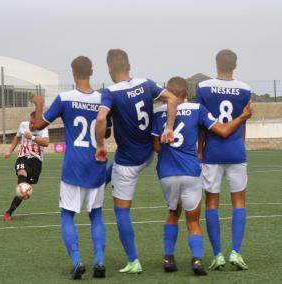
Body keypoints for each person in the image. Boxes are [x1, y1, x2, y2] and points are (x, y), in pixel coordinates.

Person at [152, 77, 252, 276]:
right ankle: (197, 259)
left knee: (173, 213)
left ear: (168, 94)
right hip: (191, 172)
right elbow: (221, 130)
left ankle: (168, 258)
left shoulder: (157, 112)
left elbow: (156, 146)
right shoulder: (197, 109)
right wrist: (242, 117)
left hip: (166, 173)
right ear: (186, 94)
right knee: (193, 220)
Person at [95, 49, 178, 274]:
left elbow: (101, 118)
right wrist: (168, 127)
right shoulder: (146, 83)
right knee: (112, 171)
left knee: (121, 211)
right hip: (148, 154)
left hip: (128, 163)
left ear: (110, 69)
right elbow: (171, 98)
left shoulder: (110, 92)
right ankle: (102, 179)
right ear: (129, 65)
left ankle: (133, 261)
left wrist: (100, 145)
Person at [32, 56, 111, 280]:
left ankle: (77, 261)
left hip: (74, 166)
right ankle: (100, 261)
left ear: (73, 73)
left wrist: (38, 103)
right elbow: (105, 132)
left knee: (67, 215)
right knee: (96, 214)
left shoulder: (64, 98)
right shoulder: (104, 99)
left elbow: (38, 126)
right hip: (96, 163)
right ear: (92, 72)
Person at [197, 50, 252, 270]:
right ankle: (236, 252)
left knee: (212, 203)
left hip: (212, 152)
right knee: (239, 202)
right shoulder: (246, 89)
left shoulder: (203, 87)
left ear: (216, 63)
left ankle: (218, 254)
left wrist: (200, 149)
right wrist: (241, 145)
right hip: (236, 150)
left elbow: (201, 123)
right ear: (235, 65)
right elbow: (244, 121)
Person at [3, 111, 49, 221]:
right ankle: (8, 214)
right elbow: (17, 137)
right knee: (22, 177)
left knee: (23, 191)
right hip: (23, 157)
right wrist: (10, 150)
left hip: (36, 161)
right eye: (30, 122)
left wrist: (32, 137)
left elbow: (46, 143)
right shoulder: (23, 125)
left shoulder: (44, 129)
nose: (31, 125)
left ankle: (9, 211)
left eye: (33, 124)